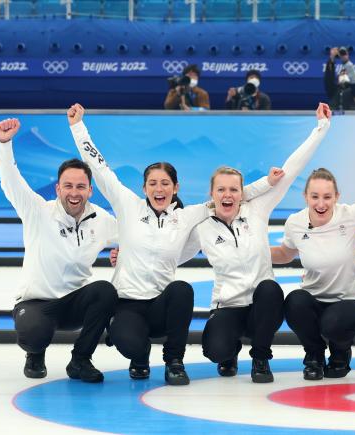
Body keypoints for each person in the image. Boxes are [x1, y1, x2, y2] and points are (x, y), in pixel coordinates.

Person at [67, 103, 273, 385]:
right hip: (128, 303)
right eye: (152, 183)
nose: (158, 189)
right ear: (144, 188)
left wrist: (264, 184)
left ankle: (174, 361)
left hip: (160, 305)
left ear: (175, 188)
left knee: (182, 290)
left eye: (165, 183)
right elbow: (100, 169)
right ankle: (139, 358)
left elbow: (232, 196)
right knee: (132, 344)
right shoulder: (128, 205)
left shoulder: (189, 215)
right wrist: (78, 128)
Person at [180, 103, 332, 383]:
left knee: (270, 289)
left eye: (234, 189)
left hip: (262, 307)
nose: (228, 195)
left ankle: (260, 357)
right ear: (211, 193)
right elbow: (172, 255)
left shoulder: (257, 210)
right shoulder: (201, 226)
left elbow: (292, 168)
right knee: (215, 350)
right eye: (221, 190)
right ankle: (230, 352)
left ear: (243, 193)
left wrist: (320, 129)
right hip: (227, 306)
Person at [0, 118, 118, 383]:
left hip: (75, 304)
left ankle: (81, 360)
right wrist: (4, 144)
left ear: (90, 190)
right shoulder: (38, 211)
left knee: (105, 292)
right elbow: (10, 182)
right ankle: (35, 353)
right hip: (37, 303)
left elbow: (134, 237)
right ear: (57, 189)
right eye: (68, 186)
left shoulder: (101, 219)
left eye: (81, 187)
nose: (74, 193)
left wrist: (125, 253)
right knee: (33, 334)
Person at [271, 166, 355, 381]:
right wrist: (253, 249)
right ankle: (314, 355)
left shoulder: (352, 214)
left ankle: (340, 354)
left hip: (347, 301)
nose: (321, 203)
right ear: (305, 196)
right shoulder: (295, 222)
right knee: (294, 302)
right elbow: (285, 253)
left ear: (337, 196)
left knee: (332, 324)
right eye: (314, 196)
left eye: (327, 197)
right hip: (313, 299)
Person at [324, 46, 355, 111]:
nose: (344, 75)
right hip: (336, 120)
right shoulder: (333, 91)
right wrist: (331, 59)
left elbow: (354, 78)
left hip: (351, 119)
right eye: (342, 73)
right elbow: (328, 78)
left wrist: (345, 61)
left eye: (346, 73)